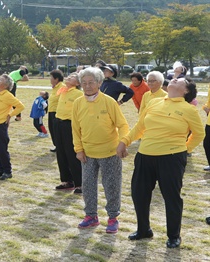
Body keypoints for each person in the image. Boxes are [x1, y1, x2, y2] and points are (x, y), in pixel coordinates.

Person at [117, 77, 203, 248]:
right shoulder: (154, 101)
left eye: (180, 80)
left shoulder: (189, 109)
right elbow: (140, 127)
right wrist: (124, 141)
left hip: (171, 158)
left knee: (171, 198)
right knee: (139, 194)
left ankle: (173, 235)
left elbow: (199, 134)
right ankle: (144, 230)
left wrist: (184, 150)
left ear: (186, 90)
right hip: (145, 155)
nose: (175, 78)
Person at [72, 67, 129, 234]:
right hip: (87, 153)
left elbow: (123, 125)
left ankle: (113, 217)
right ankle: (91, 216)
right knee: (88, 186)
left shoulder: (109, 102)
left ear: (99, 83)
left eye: (91, 82)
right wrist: (78, 149)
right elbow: (75, 129)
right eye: (84, 83)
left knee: (111, 185)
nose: (87, 86)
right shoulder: (78, 103)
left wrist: (123, 143)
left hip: (110, 152)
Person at [0, 74, 25, 180]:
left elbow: (20, 106)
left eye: (0, 80)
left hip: (0, 125)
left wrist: (10, 115)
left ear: (5, 85)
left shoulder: (7, 95)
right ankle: (0, 169)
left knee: (1, 149)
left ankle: (7, 171)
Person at [54, 73, 83, 194]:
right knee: (60, 152)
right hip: (58, 123)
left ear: (77, 83)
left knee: (71, 153)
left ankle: (80, 183)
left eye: (72, 78)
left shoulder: (79, 94)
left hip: (69, 125)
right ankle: (66, 181)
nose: (68, 78)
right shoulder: (63, 91)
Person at [48, 70, 66, 152]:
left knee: (56, 130)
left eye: (51, 77)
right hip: (51, 111)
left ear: (56, 79)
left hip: (57, 112)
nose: (50, 79)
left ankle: (59, 146)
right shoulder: (55, 87)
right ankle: (56, 145)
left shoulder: (62, 87)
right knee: (52, 129)